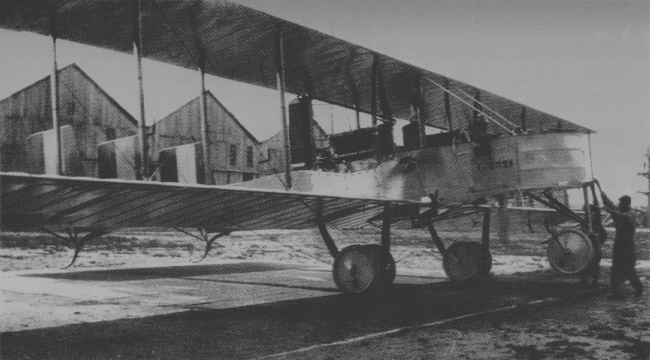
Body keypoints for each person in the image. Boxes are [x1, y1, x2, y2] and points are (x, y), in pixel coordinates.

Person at [597, 181, 643, 299]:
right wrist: (604, 196)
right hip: (619, 243)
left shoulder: (630, 214)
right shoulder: (620, 210)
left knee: (628, 269)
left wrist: (610, 211)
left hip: (627, 245)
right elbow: (612, 206)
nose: (619, 205)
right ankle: (615, 292)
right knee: (615, 267)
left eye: (621, 203)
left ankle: (638, 287)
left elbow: (621, 217)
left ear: (626, 205)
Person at [579, 204, 606, 286]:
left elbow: (603, 234)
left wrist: (597, 238)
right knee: (584, 262)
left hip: (594, 245)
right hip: (586, 245)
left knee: (594, 263)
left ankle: (594, 280)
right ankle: (584, 279)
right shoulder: (586, 221)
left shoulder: (596, 223)